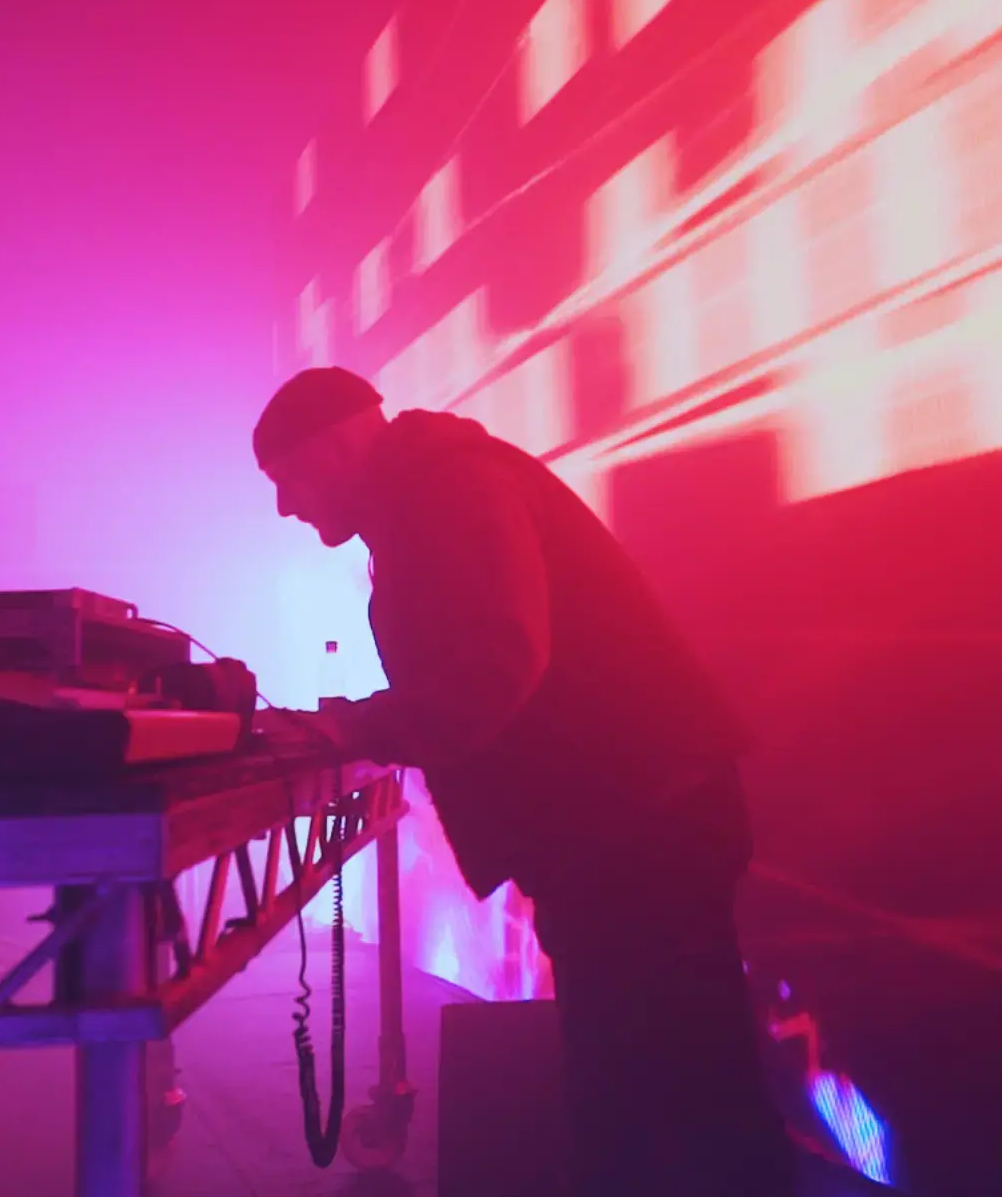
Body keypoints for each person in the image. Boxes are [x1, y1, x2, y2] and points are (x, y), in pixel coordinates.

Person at [252, 366, 797, 1197]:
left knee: (645, 1080)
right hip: (635, 817)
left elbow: (495, 663)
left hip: (637, 823)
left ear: (331, 446)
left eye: (286, 479)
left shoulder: (450, 492)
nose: (287, 506)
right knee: (679, 1075)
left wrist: (358, 726)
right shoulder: (433, 492)